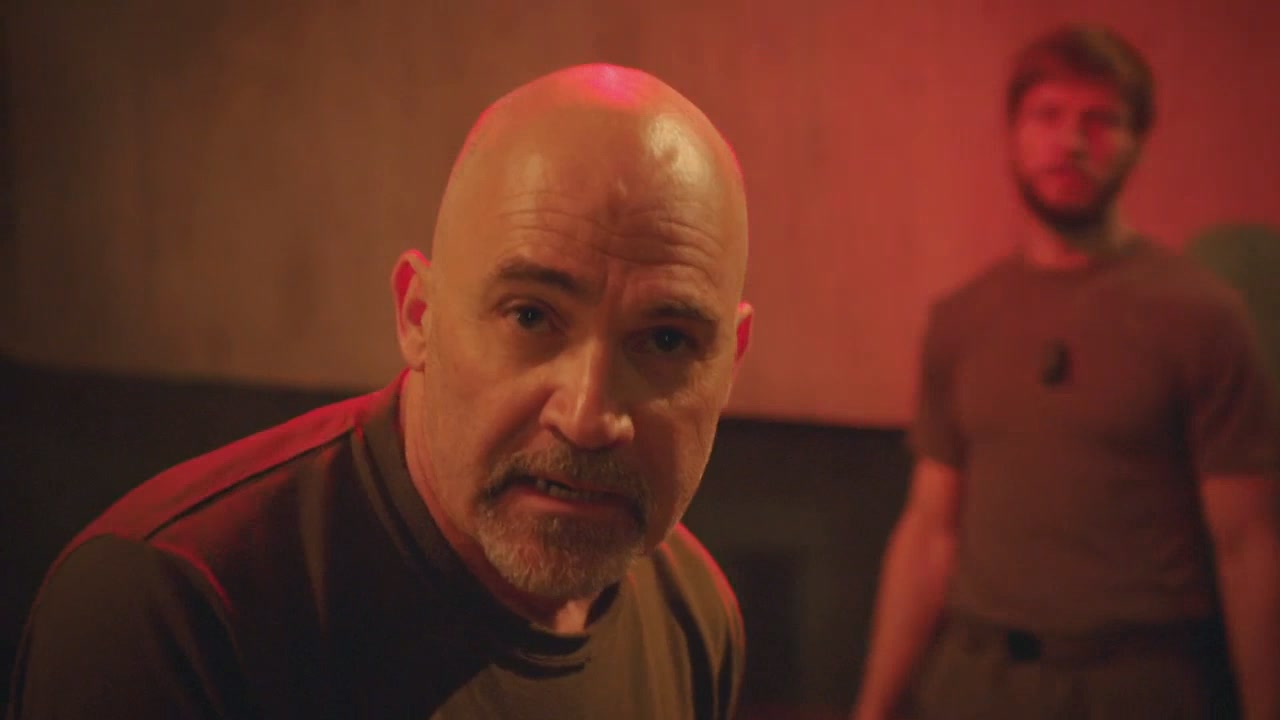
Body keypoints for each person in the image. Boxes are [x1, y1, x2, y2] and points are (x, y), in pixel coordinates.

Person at [8, 63, 754, 719]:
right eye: (531, 316)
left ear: (730, 365)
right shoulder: (175, 606)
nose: (589, 416)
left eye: (666, 341)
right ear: (418, 317)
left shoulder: (694, 615)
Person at [851, 24, 1279, 720]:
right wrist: (873, 708)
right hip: (975, 683)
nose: (1071, 141)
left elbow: (1248, 544)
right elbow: (929, 531)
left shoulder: (1202, 315)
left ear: (1137, 141)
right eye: (1047, 115)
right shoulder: (963, 317)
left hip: (1139, 685)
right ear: (1013, 134)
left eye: (1099, 120)